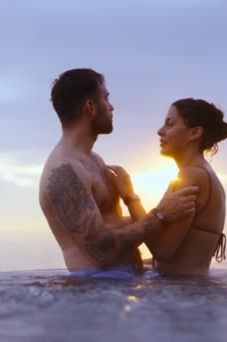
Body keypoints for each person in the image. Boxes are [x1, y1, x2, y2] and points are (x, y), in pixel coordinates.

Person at [39, 68, 199, 279]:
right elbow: (100, 248)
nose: (112, 106)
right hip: (96, 290)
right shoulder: (64, 171)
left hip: (121, 281)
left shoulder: (93, 160)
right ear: (90, 107)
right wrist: (160, 214)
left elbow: (111, 223)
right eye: (106, 98)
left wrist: (134, 199)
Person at [105, 98, 227, 276]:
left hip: (180, 295)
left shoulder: (192, 176)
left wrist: (129, 196)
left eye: (169, 124)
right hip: (192, 293)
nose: (160, 131)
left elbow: (162, 251)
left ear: (195, 133)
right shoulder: (202, 174)